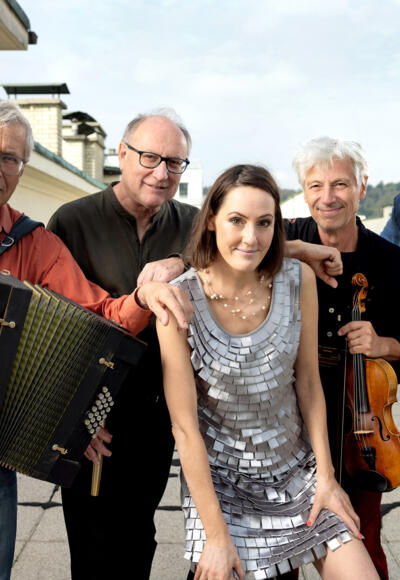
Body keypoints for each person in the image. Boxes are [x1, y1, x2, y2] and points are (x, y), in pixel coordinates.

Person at [157, 164, 379, 580]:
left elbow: (309, 384)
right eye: (236, 220)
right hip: (222, 487)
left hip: (298, 473)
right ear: (211, 220)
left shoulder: (298, 279)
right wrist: (216, 536)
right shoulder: (179, 301)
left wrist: (327, 478)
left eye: (264, 223)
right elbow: (184, 428)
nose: (251, 237)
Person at [0, 102, 192, 580]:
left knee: (137, 534)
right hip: (88, 413)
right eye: (150, 157)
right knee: (90, 541)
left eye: (10, 158)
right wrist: (73, 410)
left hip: (152, 410)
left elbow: (92, 314)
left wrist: (170, 272)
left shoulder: (32, 242)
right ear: (122, 154)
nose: (161, 172)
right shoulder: (75, 219)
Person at [285, 137, 400, 580]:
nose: (327, 197)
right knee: (278, 555)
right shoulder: (285, 237)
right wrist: (298, 251)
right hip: (286, 422)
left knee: (363, 544)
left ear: (362, 187)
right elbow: (223, 250)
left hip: (361, 434)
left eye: (340, 184)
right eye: (315, 186)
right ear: (304, 191)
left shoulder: (390, 261)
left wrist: (384, 344)